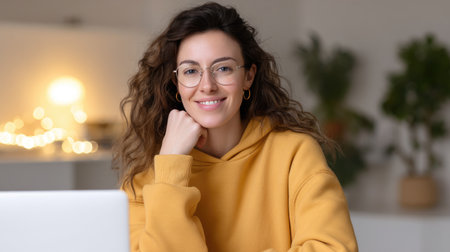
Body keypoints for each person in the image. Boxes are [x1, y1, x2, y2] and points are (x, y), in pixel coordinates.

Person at [114, 2, 358, 252]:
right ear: (176, 82)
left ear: (248, 76)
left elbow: (333, 248)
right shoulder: (147, 174)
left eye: (223, 68)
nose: (207, 85)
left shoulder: (295, 153)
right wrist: (171, 167)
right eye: (190, 71)